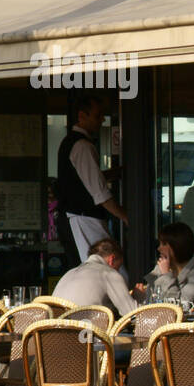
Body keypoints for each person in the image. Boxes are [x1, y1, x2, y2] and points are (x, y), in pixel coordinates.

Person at [56, 94, 128, 271]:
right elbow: (99, 192)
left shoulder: (72, 143)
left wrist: (110, 174)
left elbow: (86, 180)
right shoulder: (82, 146)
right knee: (105, 270)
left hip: (78, 218)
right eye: (97, 115)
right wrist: (124, 215)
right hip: (83, 219)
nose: (102, 119)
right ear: (82, 116)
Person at [132, 222, 194, 312]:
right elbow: (150, 295)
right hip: (159, 319)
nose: (159, 248)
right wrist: (141, 296)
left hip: (187, 324)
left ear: (177, 245)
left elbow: (181, 305)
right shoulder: (161, 266)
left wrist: (166, 275)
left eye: (163, 244)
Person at [51, 237, 137, 316]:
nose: (118, 271)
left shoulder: (69, 273)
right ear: (112, 259)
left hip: (53, 329)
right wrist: (138, 296)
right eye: (118, 267)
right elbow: (131, 314)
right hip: (84, 330)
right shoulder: (108, 273)